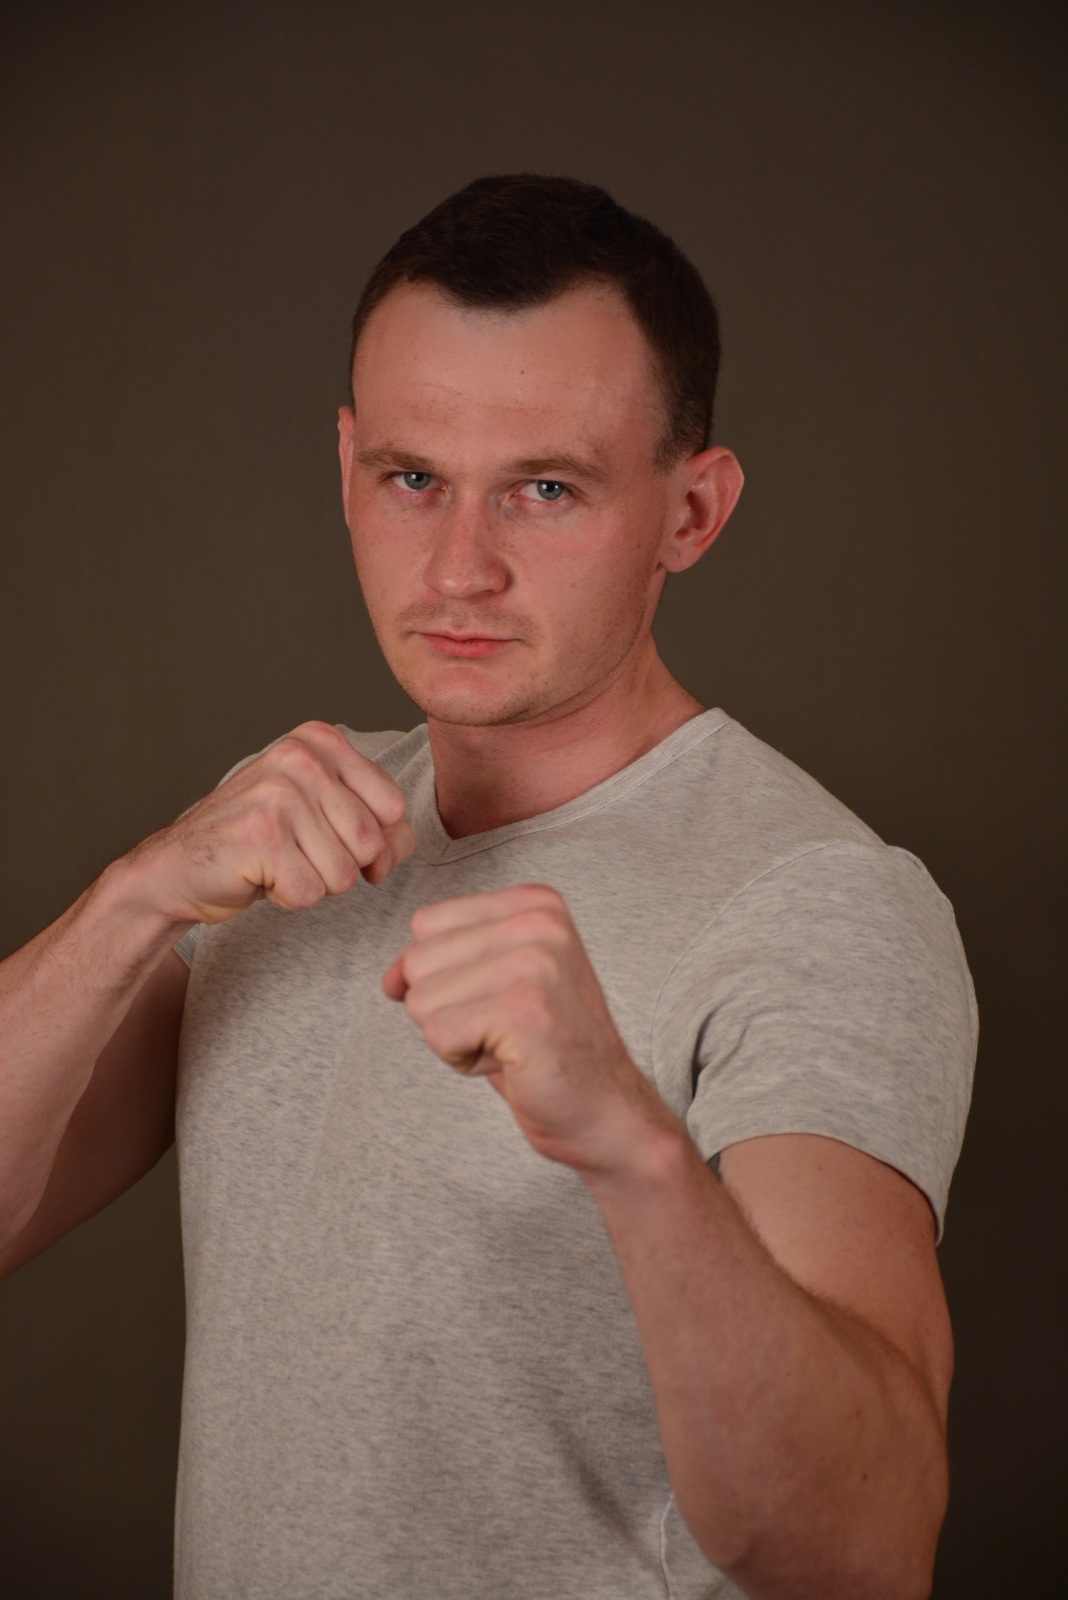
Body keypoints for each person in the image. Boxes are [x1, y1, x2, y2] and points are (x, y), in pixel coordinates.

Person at [0, 174, 976, 1600]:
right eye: (413, 480)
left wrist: (629, 1143)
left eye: (546, 489)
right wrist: (136, 895)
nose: (460, 570)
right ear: (347, 466)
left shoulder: (817, 902)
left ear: (691, 512)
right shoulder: (283, 836)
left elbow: (865, 1547)